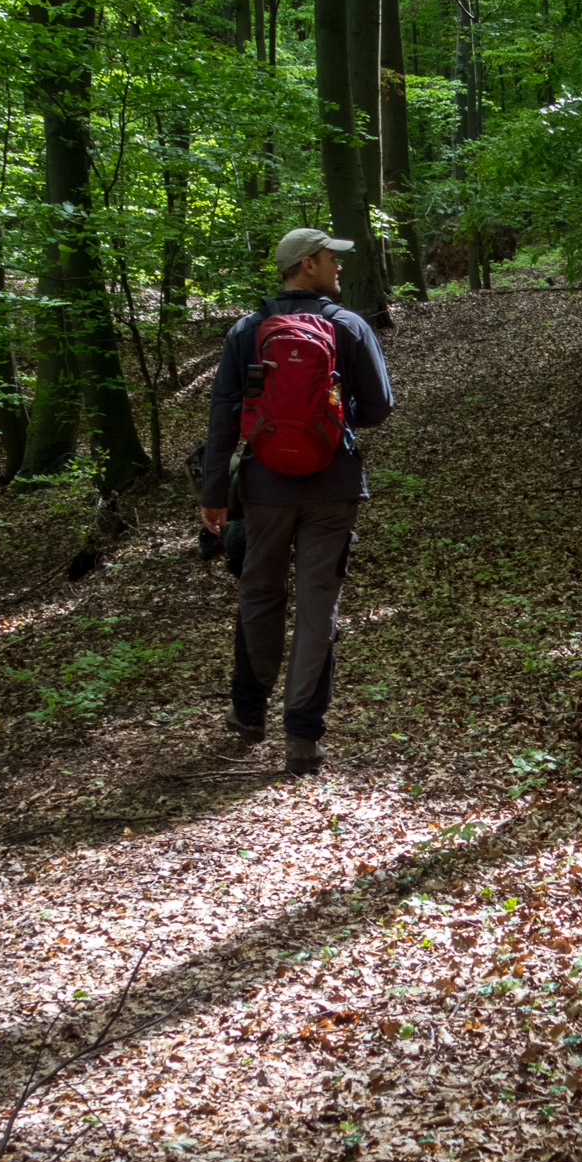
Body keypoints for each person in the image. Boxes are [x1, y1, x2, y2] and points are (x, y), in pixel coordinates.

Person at [200, 228, 394, 773]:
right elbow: (378, 408)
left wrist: (214, 496)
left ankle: (246, 715)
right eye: (332, 258)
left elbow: (222, 418)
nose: (338, 267)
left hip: (262, 490)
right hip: (333, 488)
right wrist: (330, 418)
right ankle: (302, 738)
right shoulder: (349, 325)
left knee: (259, 594)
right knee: (317, 608)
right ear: (307, 265)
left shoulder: (246, 330)